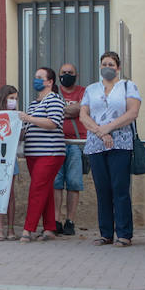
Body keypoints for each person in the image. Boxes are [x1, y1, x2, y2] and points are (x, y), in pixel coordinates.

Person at [79, 51, 141, 247]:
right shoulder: (91, 89)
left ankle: (124, 233)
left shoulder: (127, 86)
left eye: (111, 64)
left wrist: (109, 128)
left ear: (118, 68)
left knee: (119, 188)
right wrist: (100, 132)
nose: (108, 67)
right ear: (99, 67)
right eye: (104, 64)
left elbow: (132, 112)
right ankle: (106, 233)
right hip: (97, 143)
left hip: (120, 143)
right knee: (102, 189)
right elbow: (83, 115)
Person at [19, 67, 65, 242]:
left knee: (37, 189)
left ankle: (27, 229)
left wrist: (29, 119)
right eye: (35, 77)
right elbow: (30, 126)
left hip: (50, 153)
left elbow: (53, 122)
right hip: (33, 153)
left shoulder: (54, 100)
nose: (36, 80)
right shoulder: (33, 103)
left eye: (40, 77)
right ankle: (49, 228)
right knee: (44, 189)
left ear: (49, 82)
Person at [54, 62, 87, 237]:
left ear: (76, 75)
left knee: (74, 183)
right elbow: (48, 113)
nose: (67, 75)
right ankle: (56, 220)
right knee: (56, 183)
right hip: (56, 142)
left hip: (77, 143)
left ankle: (70, 221)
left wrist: (60, 110)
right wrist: (69, 110)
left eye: (70, 72)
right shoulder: (54, 91)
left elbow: (82, 108)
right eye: (63, 72)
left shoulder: (83, 91)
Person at [0, 85, 20, 242]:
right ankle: (0, 228)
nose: (13, 101)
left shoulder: (15, 115)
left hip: (10, 158)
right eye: (11, 98)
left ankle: (11, 228)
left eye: (15, 99)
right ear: (3, 98)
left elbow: (20, 136)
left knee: (10, 195)